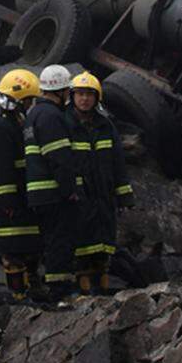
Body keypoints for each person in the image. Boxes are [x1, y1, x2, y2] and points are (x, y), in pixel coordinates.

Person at [68, 71, 133, 295]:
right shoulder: (65, 126)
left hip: (103, 195)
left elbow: (118, 164)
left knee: (104, 241)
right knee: (81, 242)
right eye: (80, 94)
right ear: (72, 96)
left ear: (97, 98)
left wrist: (125, 196)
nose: (84, 99)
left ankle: (103, 286)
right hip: (80, 196)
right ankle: (84, 288)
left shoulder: (106, 127)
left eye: (89, 94)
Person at [0, 68, 42, 301]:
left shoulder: (18, 122)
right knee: (13, 250)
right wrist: (7, 200)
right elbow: (0, 169)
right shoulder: (1, 126)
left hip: (23, 195)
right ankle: (18, 294)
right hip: (10, 200)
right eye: (28, 100)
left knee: (30, 246)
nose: (31, 104)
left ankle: (34, 286)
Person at [25, 64, 79, 306]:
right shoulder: (52, 116)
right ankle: (60, 292)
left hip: (37, 192)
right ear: (60, 91)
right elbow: (59, 157)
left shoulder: (34, 114)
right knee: (60, 241)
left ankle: (51, 288)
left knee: (49, 240)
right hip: (52, 192)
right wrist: (70, 190)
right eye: (68, 91)